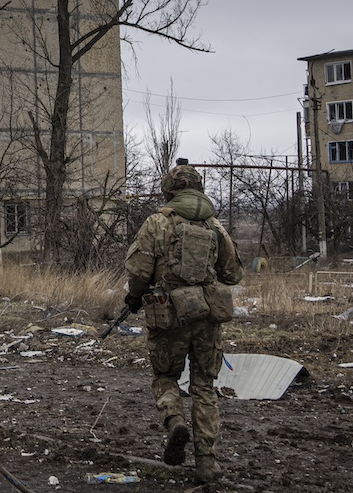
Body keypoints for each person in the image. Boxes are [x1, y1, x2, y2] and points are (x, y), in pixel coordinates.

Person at [123, 164, 244, 484]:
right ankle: (207, 462)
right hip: (207, 317)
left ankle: (175, 420)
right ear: (199, 190)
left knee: (165, 376)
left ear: (169, 190)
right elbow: (233, 274)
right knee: (204, 385)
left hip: (168, 315)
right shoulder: (214, 225)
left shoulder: (157, 222)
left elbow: (138, 271)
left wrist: (135, 298)